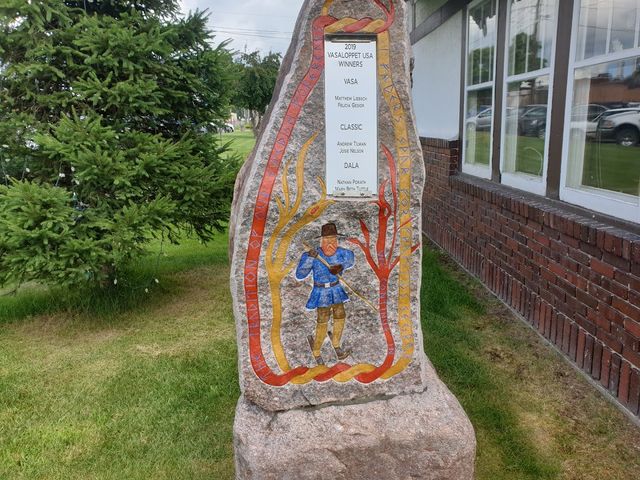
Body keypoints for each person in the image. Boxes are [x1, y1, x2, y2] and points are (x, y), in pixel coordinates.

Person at [296, 223, 355, 365]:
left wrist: (341, 266)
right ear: (321, 241)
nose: (331, 244)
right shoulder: (314, 255)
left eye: (334, 240)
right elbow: (300, 274)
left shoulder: (341, 253)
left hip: (336, 290)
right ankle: (317, 350)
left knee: (340, 315)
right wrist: (309, 258)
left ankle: (336, 344)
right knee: (323, 319)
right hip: (321, 292)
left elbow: (351, 258)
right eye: (327, 241)